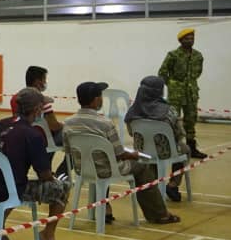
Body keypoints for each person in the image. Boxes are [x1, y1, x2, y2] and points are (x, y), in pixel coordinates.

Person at [64, 82, 180, 224]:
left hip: (83, 170)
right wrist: (133, 155)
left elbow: (68, 150)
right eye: (100, 96)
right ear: (96, 100)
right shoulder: (105, 123)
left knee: (100, 162)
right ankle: (159, 214)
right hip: (108, 170)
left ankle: (104, 209)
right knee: (142, 168)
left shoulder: (68, 122)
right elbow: (119, 154)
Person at [0, 88, 70, 240]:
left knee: (10, 179)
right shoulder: (33, 135)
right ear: (37, 110)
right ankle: (48, 235)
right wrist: (53, 177)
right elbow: (44, 175)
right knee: (62, 188)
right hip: (10, 191)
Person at [124, 76, 191, 202]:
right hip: (166, 151)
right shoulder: (169, 111)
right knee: (185, 149)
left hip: (142, 152)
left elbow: (131, 132)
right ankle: (173, 184)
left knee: (151, 153)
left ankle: (152, 184)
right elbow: (180, 134)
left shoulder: (132, 111)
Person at [158, 28, 207, 159]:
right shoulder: (173, 55)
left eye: (192, 38)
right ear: (181, 40)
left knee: (191, 119)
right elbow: (162, 73)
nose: (190, 41)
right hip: (176, 94)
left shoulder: (198, 56)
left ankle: (191, 148)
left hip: (191, 92)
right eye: (187, 38)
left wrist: (189, 83)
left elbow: (197, 73)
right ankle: (173, 148)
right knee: (173, 120)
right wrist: (172, 85)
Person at [11, 65, 66, 175]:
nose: (45, 82)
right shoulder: (42, 102)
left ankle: (47, 170)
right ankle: (62, 174)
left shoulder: (15, 99)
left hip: (24, 137)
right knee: (74, 139)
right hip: (42, 140)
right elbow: (54, 126)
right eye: (44, 79)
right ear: (37, 82)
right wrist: (64, 125)